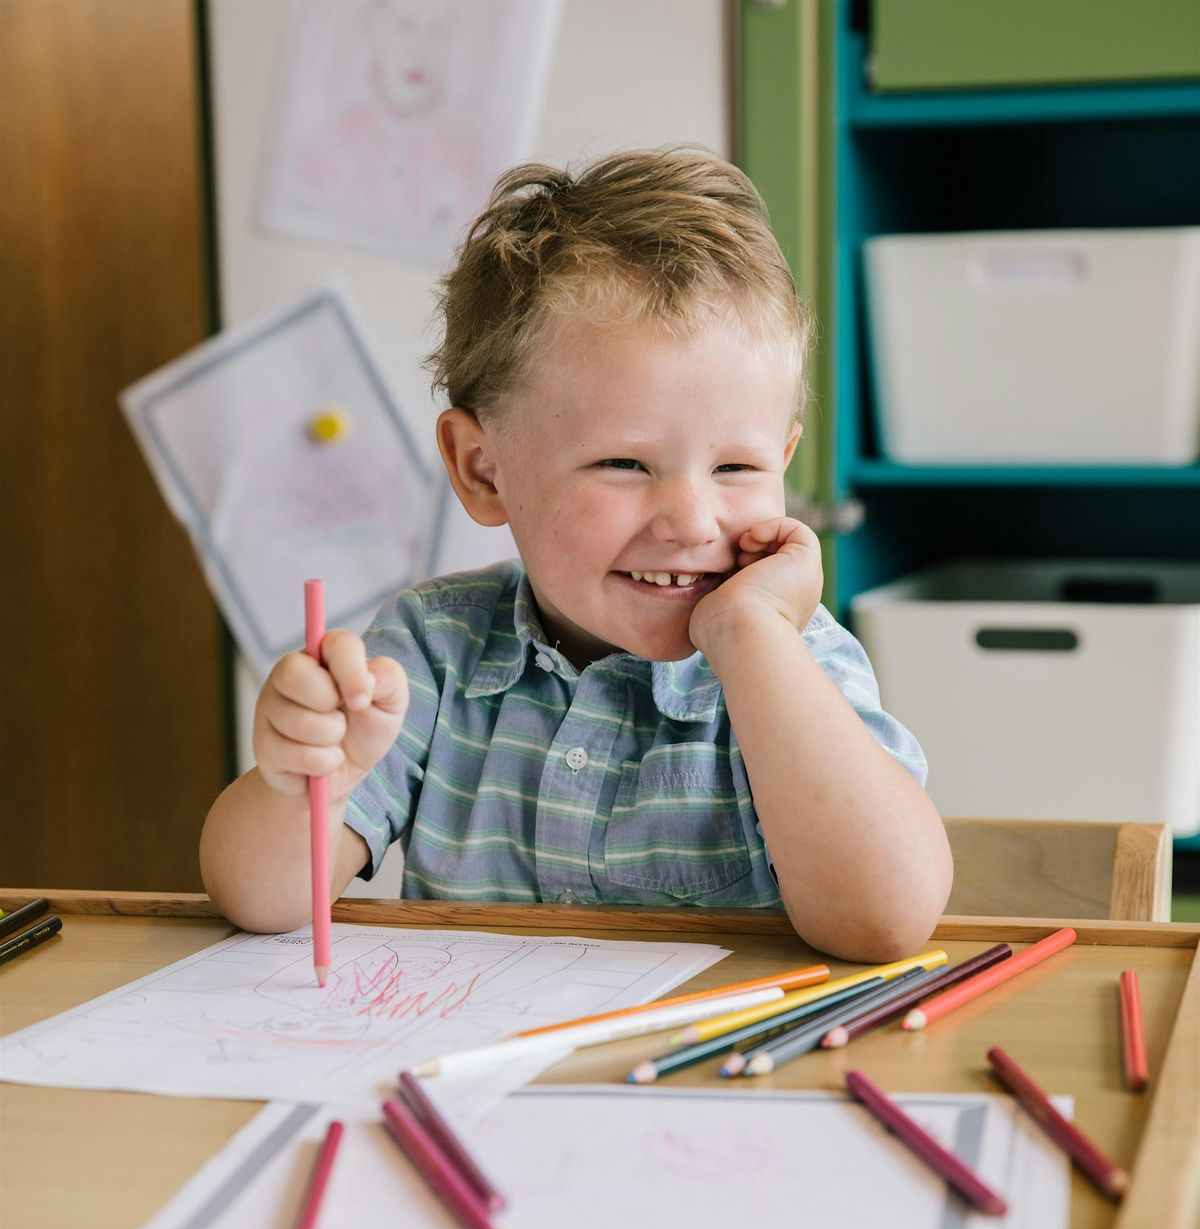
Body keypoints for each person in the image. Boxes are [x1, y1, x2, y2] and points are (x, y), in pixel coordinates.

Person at [200, 147, 953, 960]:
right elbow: (261, 902)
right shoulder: (433, 650)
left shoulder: (792, 658)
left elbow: (885, 920)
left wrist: (752, 636)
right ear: (483, 469)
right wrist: (305, 784)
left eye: (737, 467)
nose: (693, 519)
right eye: (625, 465)